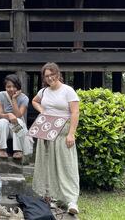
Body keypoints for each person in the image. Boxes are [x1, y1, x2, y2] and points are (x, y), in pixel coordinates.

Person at [31, 62, 80, 215]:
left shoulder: (68, 91)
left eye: (52, 74)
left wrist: (71, 133)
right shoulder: (44, 91)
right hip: (46, 131)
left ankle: (71, 200)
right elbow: (34, 101)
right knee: (47, 165)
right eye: (47, 76)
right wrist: (42, 110)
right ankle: (51, 196)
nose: (50, 78)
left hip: (63, 133)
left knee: (66, 165)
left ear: (58, 74)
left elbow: (75, 113)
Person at [0, 74, 29, 159]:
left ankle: (18, 150)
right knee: (2, 122)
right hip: (2, 128)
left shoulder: (24, 98)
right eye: (8, 87)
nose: (11, 89)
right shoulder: (0, 95)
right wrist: (9, 115)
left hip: (17, 130)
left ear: (18, 87)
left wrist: (14, 99)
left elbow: (18, 115)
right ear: (5, 87)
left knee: (18, 121)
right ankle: (2, 149)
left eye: (14, 86)